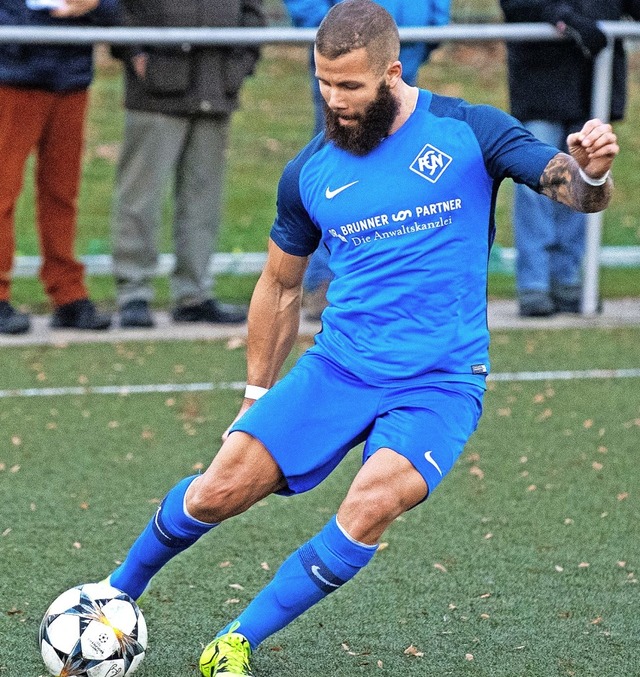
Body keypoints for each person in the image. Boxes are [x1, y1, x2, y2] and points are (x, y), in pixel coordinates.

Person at [98, 2, 618, 674]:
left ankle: (235, 641)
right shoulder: (310, 172)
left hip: (440, 381)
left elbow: (573, 192)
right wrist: (256, 392)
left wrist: (593, 173)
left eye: (350, 87)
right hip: (340, 367)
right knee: (215, 490)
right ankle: (113, 593)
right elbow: (281, 286)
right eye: (324, 84)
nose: (335, 101)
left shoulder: (469, 129)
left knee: (372, 502)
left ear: (392, 73)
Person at [283, 0, 451, 319]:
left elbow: (437, 9)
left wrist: (431, 28)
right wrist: (340, 43)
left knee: (400, 174)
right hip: (345, 64)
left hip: (405, 56)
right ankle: (326, 280)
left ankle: (391, 281)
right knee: (335, 170)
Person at [111, 0, 264, 328]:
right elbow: (120, 8)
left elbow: (252, 12)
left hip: (215, 85)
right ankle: (133, 292)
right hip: (155, 89)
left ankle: (194, 294)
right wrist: (136, 55)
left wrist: (241, 63)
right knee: (140, 197)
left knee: (203, 199)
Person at [500, 0, 640, 317]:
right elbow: (517, 5)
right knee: (536, 185)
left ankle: (569, 280)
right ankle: (534, 284)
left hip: (591, 86)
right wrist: (565, 19)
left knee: (587, 182)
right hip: (540, 87)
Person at [0, 0, 118, 335]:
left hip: (70, 78)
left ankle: (67, 293)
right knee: (3, 192)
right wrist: (36, 20)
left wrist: (92, 5)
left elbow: (114, 10)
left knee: (62, 193)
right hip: (13, 77)